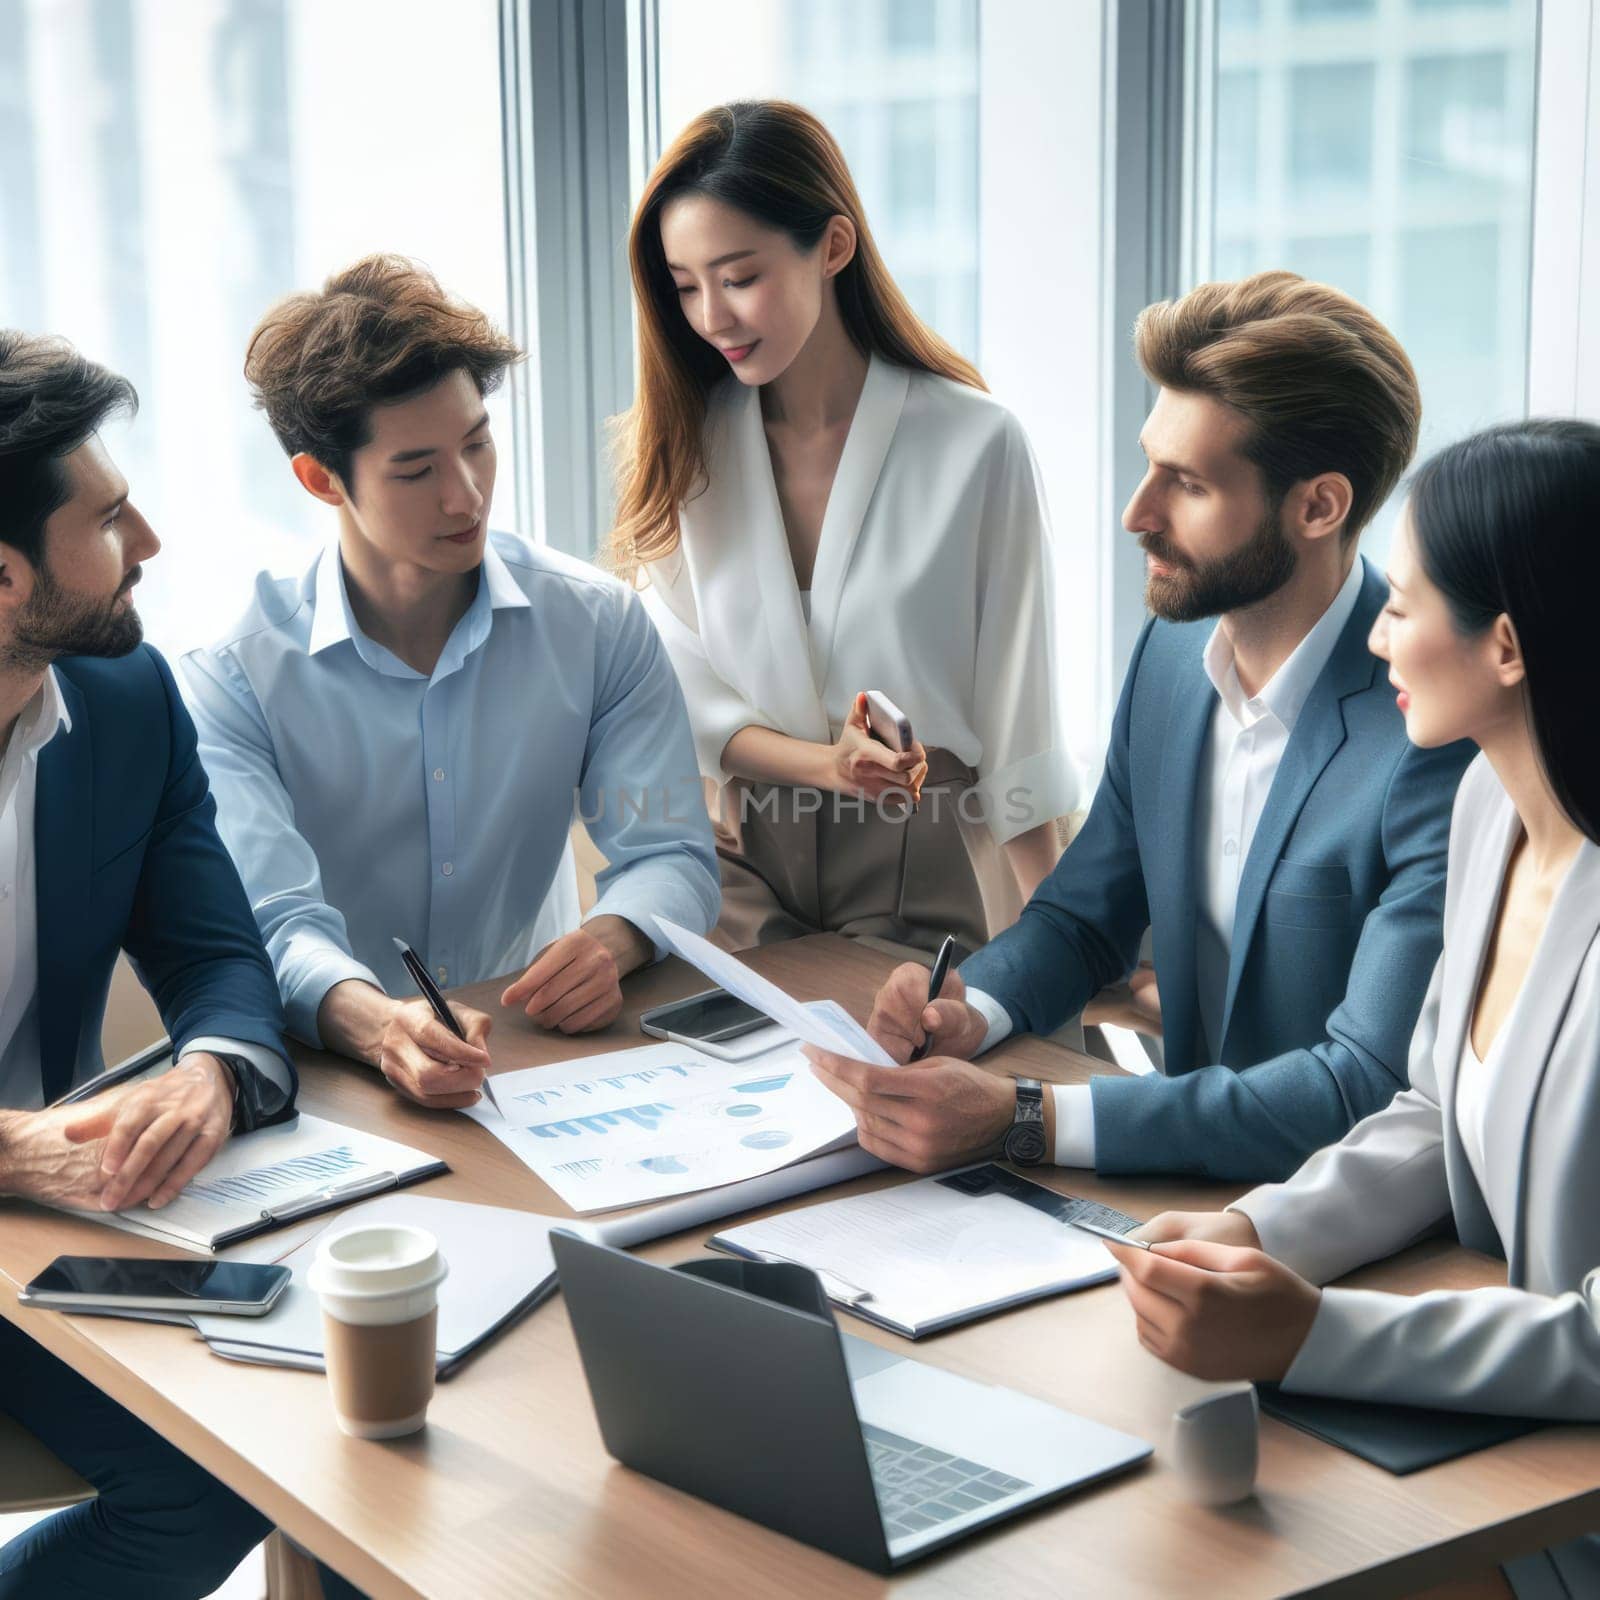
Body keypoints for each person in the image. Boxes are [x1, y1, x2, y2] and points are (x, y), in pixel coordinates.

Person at [809, 271, 1475, 1181]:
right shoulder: (1170, 657)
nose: (1137, 514)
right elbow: (1085, 919)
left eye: (1188, 484)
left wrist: (1028, 1116)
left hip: (1349, 1222)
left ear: (1319, 506)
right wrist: (975, 1010)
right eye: (1148, 462)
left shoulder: (1432, 741)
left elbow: (1364, 1084)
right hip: (1176, 1191)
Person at [1105, 419, 1600, 1600]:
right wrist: (1263, 1232)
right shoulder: (1488, 804)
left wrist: (1313, 1333)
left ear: (1508, 647)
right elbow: (1433, 1108)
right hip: (1500, 1449)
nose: (1374, 630)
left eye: (1405, 603)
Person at [181, 257, 719, 1110]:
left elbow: (672, 852)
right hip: (343, 1083)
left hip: (541, 1063)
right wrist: (380, 1025)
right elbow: (275, 924)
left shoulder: (597, 623)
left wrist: (618, 939)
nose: (466, 495)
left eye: (477, 443)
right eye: (417, 468)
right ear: (322, 479)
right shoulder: (235, 676)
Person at [610, 100, 1077, 961]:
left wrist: (1063, 941)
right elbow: (686, 700)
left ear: (832, 246)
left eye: (739, 276)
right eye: (684, 287)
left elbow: (1021, 717)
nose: (711, 316)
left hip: (922, 850)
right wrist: (821, 766)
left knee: (917, 1085)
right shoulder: (686, 449)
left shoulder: (975, 443)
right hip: (742, 854)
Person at [0, 331, 298, 1596]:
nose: (153, 544)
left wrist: (213, 1076)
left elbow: (219, 951)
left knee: (255, 1459)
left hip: (52, 1237)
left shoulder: (127, 702)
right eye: (111, 518)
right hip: (32, 1193)